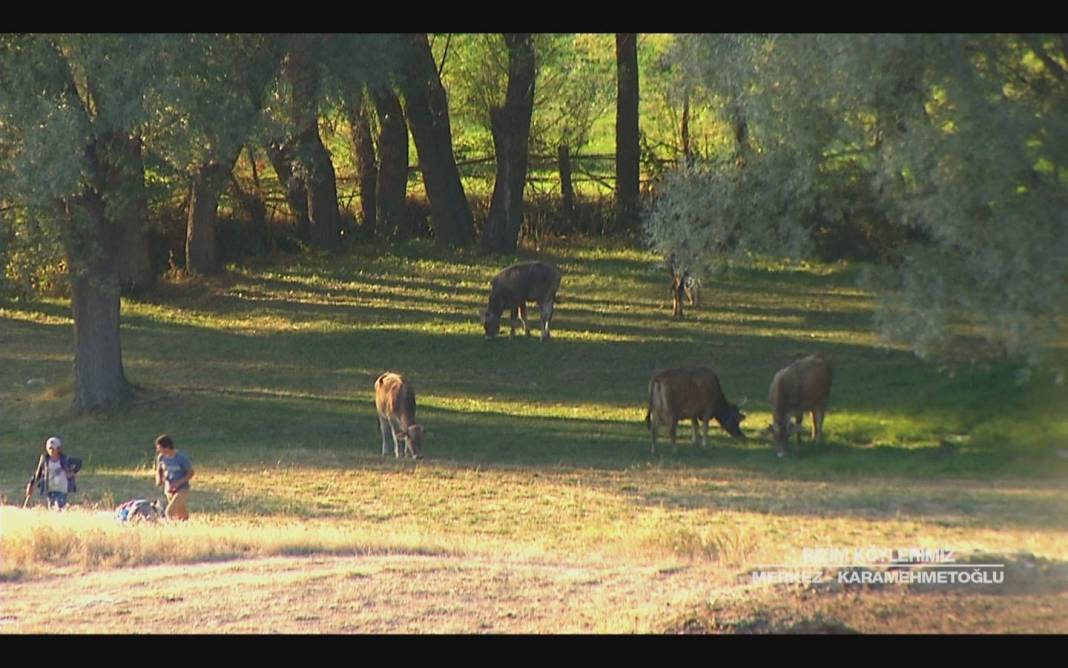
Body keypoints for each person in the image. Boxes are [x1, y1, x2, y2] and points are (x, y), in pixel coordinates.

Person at [26, 436, 78, 509]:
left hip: (61, 488)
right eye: (50, 448)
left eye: (53, 449)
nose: (51, 451)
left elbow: (79, 463)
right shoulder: (45, 460)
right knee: (52, 507)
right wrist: (31, 484)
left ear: (58, 449)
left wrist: (72, 472)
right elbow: (38, 473)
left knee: (59, 506)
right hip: (50, 488)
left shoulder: (64, 459)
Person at [154, 434, 194, 521]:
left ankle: (172, 530)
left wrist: (178, 483)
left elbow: (190, 473)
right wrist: (159, 480)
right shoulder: (161, 458)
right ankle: (186, 528)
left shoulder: (181, 458)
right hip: (169, 490)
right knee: (181, 514)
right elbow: (159, 470)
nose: (158, 450)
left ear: (167, 447)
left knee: (169, 512)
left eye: (159, 447)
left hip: (182, 489)